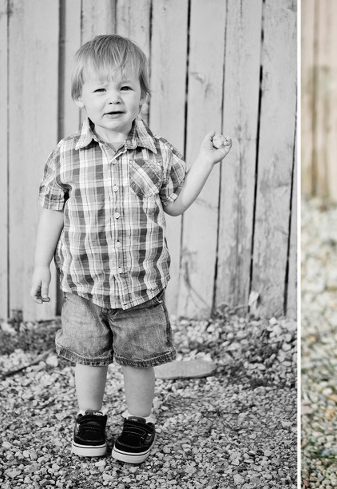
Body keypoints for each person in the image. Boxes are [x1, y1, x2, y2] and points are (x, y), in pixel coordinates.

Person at [30, 34, 232, 464]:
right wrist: (40, 264)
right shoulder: (66, 155)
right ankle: (90, 417)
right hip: (84, 285)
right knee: (88, 355)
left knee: (140, 358)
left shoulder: (157, 152)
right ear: (80, 99)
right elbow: (53, 211)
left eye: (125, 87)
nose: (113, 98)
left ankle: (139, 420)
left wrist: (205, 161)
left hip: (141, 286)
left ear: (142, 94)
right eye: (100, 89)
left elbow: (175, 203)